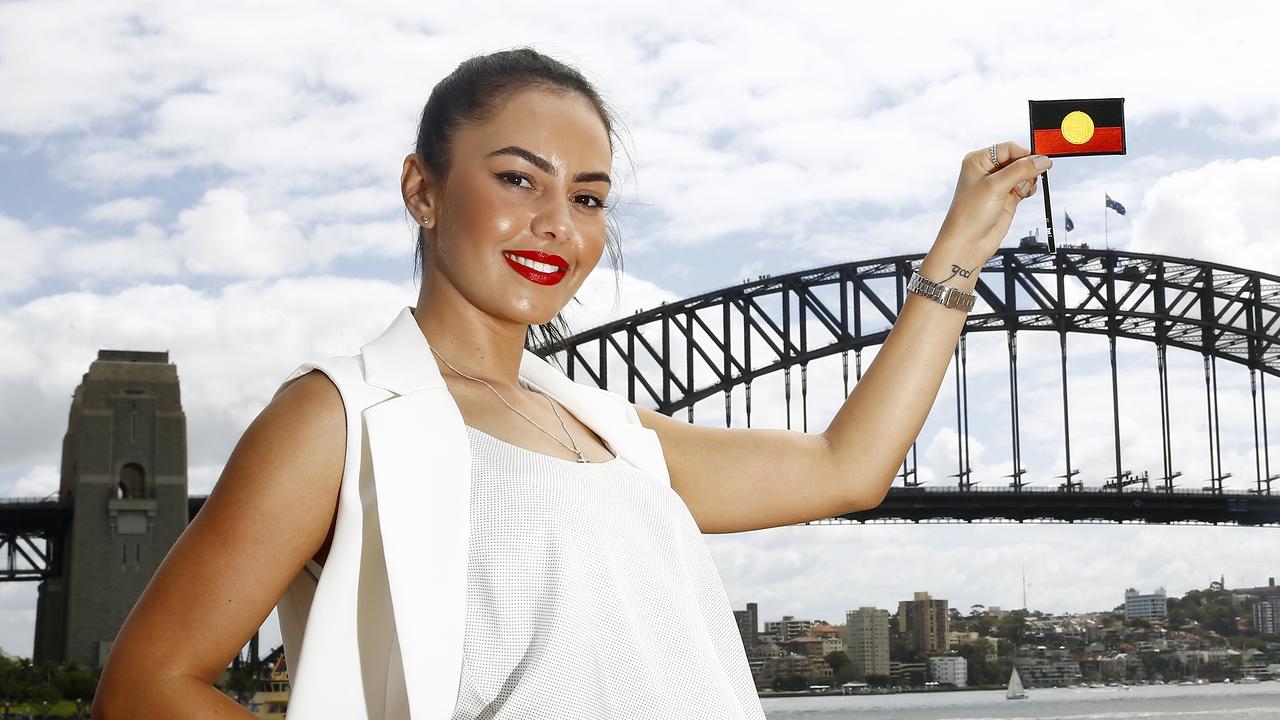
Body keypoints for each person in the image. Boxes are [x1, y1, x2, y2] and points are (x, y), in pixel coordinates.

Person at [93, 48, 1050, 718]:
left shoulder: (614, 436)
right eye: (519, 180)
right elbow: (145, 688)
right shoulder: (341, 416)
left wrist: (965, 236)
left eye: (588, 197)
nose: (560, 221)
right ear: (422, 190)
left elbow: (851, 466)